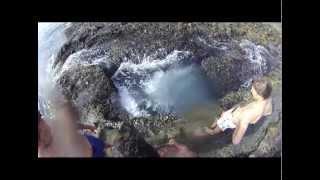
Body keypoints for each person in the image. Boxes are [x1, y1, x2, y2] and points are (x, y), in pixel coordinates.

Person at [203, 78, 273, 145]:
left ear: (259, 94)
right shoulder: (267, 98)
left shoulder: (247, 115)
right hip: (233, 113)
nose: (251, 90)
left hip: (229, 121)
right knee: (222, 116)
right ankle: (217, 122)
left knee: (220, 125)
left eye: (253, 89)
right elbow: (268, 111)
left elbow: (236, 141)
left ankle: (212, 132)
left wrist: (237, 128)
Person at [38, 101, 111, 157]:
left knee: (109, 146)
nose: (46, 125)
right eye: (43, 132)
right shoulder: (46, 155)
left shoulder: (49, 122)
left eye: (41, 120)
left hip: (90, 142)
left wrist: (88, 127)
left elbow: (68, 125)